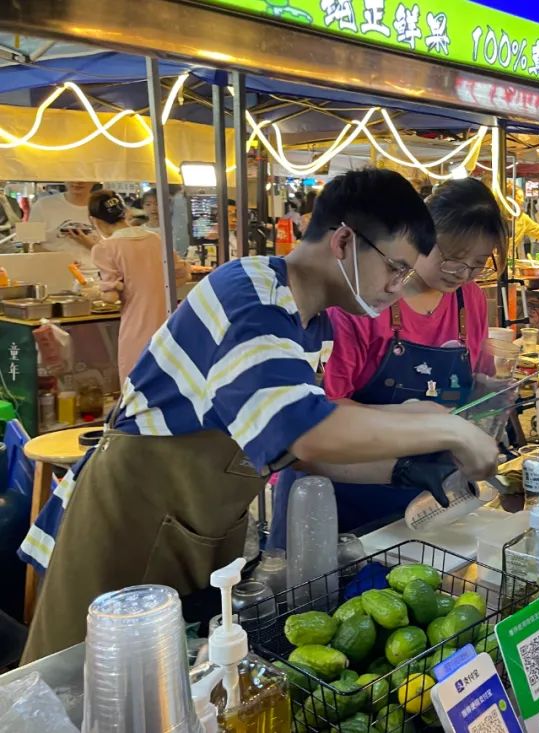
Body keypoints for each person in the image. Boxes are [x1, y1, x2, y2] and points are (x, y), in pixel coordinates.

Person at [20, 169, 500, 663]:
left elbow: (287, 451)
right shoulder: (250, 294)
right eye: (395, 269)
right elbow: (304, 430)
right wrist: (449, 428)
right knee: (80, 682)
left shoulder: (308, 323)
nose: (398, 288)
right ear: (342, 242)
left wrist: (403, 470)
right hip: (126, 527)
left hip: (198, 530)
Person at [269, 178, 506, 541]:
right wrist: (428, 423)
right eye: (452, 258)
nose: (462, 274)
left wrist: (484, 400)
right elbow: (312, 424)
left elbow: (470, 380)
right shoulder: (358, 300)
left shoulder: (467, 300)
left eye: (476, 265)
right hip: (337, 487)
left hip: (419, 490)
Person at [87, 190, 190, 383]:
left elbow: (110, 297)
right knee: (167, 384)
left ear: (95, 221)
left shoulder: (105, 248)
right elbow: (183, 276)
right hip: (168, 327)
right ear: (124, 212)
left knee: (136, 386)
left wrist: (94, 292)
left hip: (136, 329)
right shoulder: (156, 239)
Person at [27, 181, 99, 267]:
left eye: (84, 178)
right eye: (73, 176)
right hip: (52, 271)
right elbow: (28, 245)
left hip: (97, 272)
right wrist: (59, 260)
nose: (77, 182)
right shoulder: (42, 205)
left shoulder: (104, 207)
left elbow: (112, 251)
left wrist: (90, 244)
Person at [508, 185, 539, 259]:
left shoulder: (522, 218)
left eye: (523, 197)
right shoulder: (497, 216)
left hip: (509, 259)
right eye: (519, 197)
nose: (522, 200)